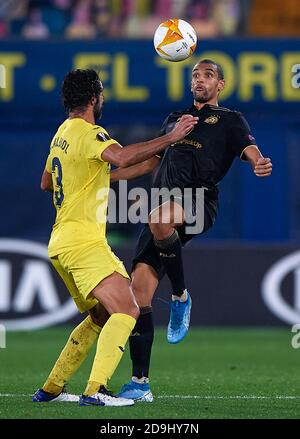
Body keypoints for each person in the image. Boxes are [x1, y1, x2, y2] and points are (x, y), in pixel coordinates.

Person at [32, 68, 198, 407]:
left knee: (101, 314)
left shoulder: (62, 133)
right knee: (128, 308)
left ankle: (51, 388)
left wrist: (151, 160)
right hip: (83, 244)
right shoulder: (91, 134)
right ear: (94, 98)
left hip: (61, 242)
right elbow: (120, 157)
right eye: (102, 94)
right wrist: (170, 137)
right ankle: (95, 391)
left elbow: (47, 182)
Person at [110, 59, 273, 402]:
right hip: (164, 206)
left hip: (199, 201)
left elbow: (250, 150)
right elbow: (151, 162)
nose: (200, 79)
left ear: (221, 84)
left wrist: (258, 162)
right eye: (196, 75)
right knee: (137, 295)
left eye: (208, 75)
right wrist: (107, 178)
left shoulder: (230, 119)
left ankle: (181, 297)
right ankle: (140, 383)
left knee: (157, 219)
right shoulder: (175, 120)